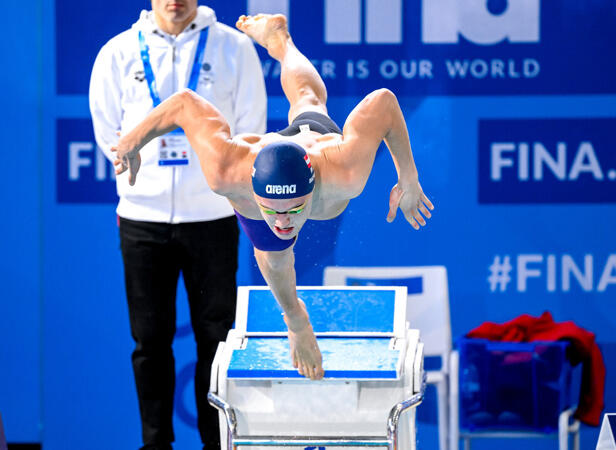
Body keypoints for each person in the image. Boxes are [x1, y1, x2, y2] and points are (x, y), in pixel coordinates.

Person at [114, 13, 435, 382]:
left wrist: (408, 177)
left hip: (313, 145)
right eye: (275, 210)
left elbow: (383, 102)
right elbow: (185, 104)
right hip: (257, 166)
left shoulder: (343, 170)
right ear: (255, 194)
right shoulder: (228, 172)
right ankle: (297, 321)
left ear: (312, 188)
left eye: (294, 209)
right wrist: (133, 139)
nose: (283, 222)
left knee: (309, 99)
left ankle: (279, 39)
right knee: (276, 259)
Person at [89, 2, 266, 449]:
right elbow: (110, 133)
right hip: (142, 218)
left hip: (213, 217)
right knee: (149, 341)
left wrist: (215, 176)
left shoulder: (234, 48)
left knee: (216, 340)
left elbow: (251, 132)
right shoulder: (118, 52)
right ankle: (155, 445)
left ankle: (218, 444)